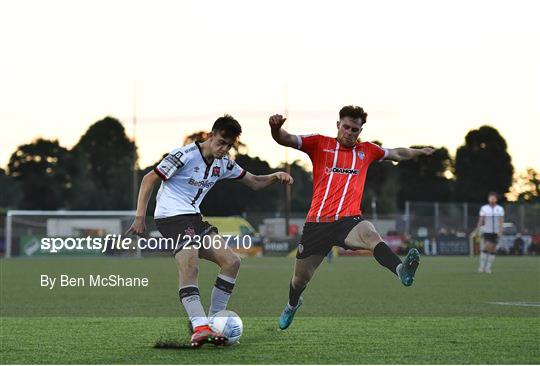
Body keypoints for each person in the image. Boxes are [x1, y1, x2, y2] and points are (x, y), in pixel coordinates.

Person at [127, 115, 293, 346]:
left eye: (229, 145)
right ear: (211, 135)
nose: (224, 149)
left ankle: (214, 321)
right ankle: (200, 326)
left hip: (194, 218)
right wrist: (139, 218)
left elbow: (254, 182)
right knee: (191, 264)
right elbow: (148, 179)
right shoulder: (183, 155)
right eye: (221, 142)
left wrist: (275, 176)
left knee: (232, 262)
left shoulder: (223, 163)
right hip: (171, 216)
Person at [269, 105, 434, 330]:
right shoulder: (319, 144)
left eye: (355, 129)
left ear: (360, 130)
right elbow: (285, 139)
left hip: (348, 220)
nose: (349, 132)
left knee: (370, 234)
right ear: (338, 125)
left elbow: (397, 153)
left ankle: (401, 270)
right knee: (300, 280)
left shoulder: (367, 151)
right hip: (317, 223)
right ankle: (292, 305)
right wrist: (275, 128)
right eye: (346, 127)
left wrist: (419, 152)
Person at [476, 192, 504, 273]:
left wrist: (501, 231)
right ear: (488, 199)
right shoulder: (484, 208)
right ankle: (481, 267)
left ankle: (488, 267)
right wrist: (477, 229)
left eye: (493, 198)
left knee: (493, 250)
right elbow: (481, 220)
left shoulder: (500, 208)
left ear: (496, 199)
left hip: (496, 232)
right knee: (487, 247)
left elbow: (501, 221)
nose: (492, 199)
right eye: (491, 197)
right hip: (487, 231)